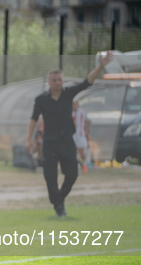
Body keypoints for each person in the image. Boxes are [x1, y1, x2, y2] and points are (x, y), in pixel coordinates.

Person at [25, 52, 112, 217]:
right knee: (50, 177)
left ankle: (58, 198)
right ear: (49, 82)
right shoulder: (41, 100)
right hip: (50, 142)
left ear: (62, 81)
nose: (58, 82)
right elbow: (33, 119)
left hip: (67, 142)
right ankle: (59, 207)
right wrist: (28, 139)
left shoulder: (69, 94)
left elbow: (87, 82)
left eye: (60, 80)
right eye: (54, 80)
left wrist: (100, 66)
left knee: (72, 175)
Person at [72, 101, 91, 174]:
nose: (74, 105)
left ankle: (84, 164)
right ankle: (74, 166)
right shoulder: (69, 112)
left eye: (75, 104)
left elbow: (88, 121)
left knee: (81, 151)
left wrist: (86, 129)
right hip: (72, 135)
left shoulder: (82, 112)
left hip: (80, 135)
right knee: (72, 151)